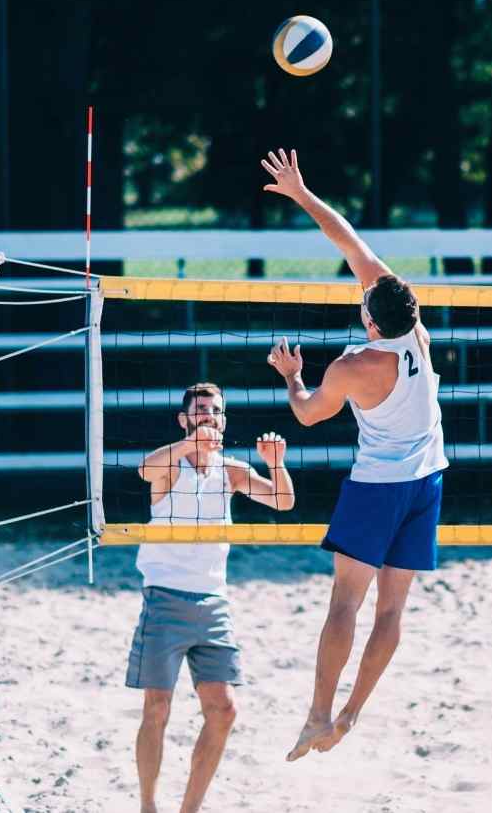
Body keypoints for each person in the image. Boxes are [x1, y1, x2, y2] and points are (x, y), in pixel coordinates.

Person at [260, 148, 448, 761]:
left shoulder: (352, 365)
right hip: (427, 481)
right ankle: (351, 713)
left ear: (371, 321)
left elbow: (309, 414)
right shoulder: (414, 328)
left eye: (363, 304)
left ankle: (317, 713)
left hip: (377, 489)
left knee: (345, 601)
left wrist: (291, 376)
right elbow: (349, 242)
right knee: (392, 610)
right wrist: (303, 193)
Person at [129, 382, 294, 813]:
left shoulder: (232, 470)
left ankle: (190, 809)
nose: (208, 416)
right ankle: (148, 806)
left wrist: (276, 465)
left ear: (223, 420)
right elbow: (144, 470)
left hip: (213, 602)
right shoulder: (171, 465)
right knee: (157, 708)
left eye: (215, 411)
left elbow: (284, 501)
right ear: (184, 419)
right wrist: (190, 443)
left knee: (223, 711)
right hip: (165, 597)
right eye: (200, 410)